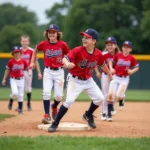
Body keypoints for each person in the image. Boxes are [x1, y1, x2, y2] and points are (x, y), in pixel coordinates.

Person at [48, 28, 113, 132]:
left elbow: (103, 65)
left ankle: (88, 115)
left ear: (94, 41)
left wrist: (109, 74)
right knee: (69, 101)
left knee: (100, 98)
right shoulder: (78, 50)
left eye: (87, 37)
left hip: (88, 80)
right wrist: (67, 64)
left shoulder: (98, 54)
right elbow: (65, 58)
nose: (84, 39)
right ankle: (55, 123)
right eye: (83, 37)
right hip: (74, 79)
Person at [30, 24, 70, 124]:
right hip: (48, 71)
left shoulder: (62, 44)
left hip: (59, 72)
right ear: (47, 34)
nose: (51, 34)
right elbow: (35, 50)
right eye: (49, 32)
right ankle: (46, 115)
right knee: (46, 92)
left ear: (57, 34)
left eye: (53, 32)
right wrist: (32, 62)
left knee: (59, 97)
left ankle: (54, 106)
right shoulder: (43, 44)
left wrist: (67, 63)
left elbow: (69, 54)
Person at [7, 35, 42, 111]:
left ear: (28, 42)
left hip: (28, 71)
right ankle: (18, 105)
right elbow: (12, 62)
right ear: (21, 42)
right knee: (20, 89)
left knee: (28, 88)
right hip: (19, 71)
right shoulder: (17, 50)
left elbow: (36, 62)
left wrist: (39, 72)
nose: (24, 43)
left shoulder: (32, 50)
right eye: (23, 41)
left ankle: (28, 103)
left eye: (26, 41)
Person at [107, 41, 139, 121]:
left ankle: (122, 99)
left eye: (127, 47)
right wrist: (111, 68)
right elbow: (111, 61)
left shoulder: (131, 58)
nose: (125, 48)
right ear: (122, 48)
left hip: (124, 79)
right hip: (116, 77)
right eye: (124, 47)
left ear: (130, 49)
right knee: (111, 95)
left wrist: (132, 71)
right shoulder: (118, 55)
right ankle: (109, 114)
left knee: (118, 95)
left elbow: (137, 67)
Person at [95, 37, 120, 121]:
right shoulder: (103, 54)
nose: (109, 46)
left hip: (115, 76)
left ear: (115, 45)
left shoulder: (119, 55)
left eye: (111, 44)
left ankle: (111, 106)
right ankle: (104, 112)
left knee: (116, 94)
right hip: (105, 76)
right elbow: (95, 62)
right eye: (108, 45)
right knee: (105, 95)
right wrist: (97, 72)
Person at [2, 46, 29, 114]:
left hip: (21, 79)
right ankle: (11, 99)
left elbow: (27, 69)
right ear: (13, 54)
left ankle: (20, 110)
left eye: (18, 52)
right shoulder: (11, 61)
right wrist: (4, 79)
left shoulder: (23, 61)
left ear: (20, 53)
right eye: (15, 53)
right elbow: (7, 70)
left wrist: (29, 72)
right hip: (13, 79)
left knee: (21, 95)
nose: (17, 54)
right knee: (15, 93)